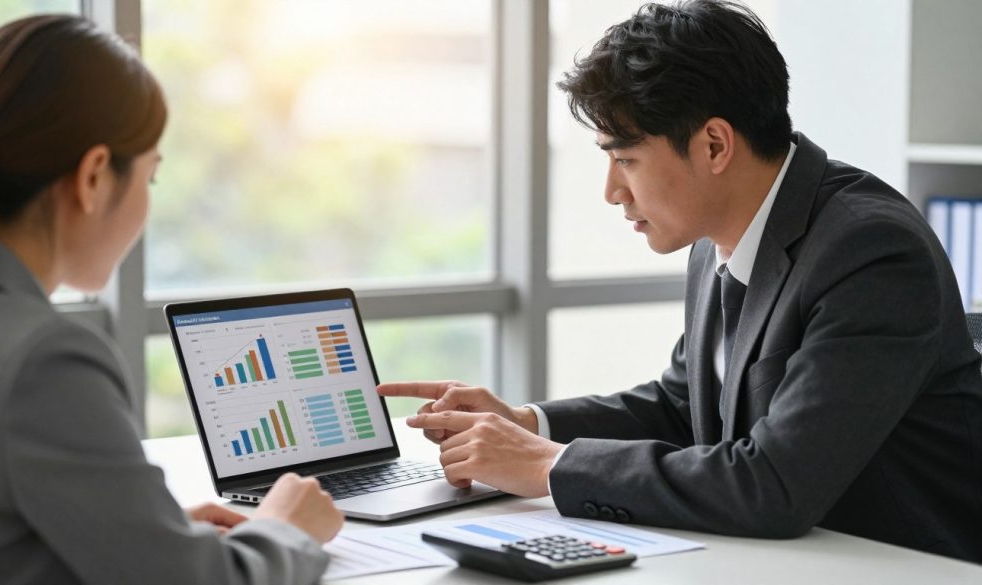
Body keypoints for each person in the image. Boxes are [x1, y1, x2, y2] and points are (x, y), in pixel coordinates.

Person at [378, 0, 982, 562]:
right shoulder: (719, 233)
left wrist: (548, 465)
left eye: (626, 159)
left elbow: (776, 484)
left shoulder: (871, 251)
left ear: (714, 144)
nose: (612, 191)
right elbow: (681, 406)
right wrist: (528, 424)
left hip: (903, 566)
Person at [0, 15, 343, 584]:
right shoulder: (41, 360)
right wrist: (286, 528)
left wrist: (141, 531)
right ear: (93, 177)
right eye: (151, 177)